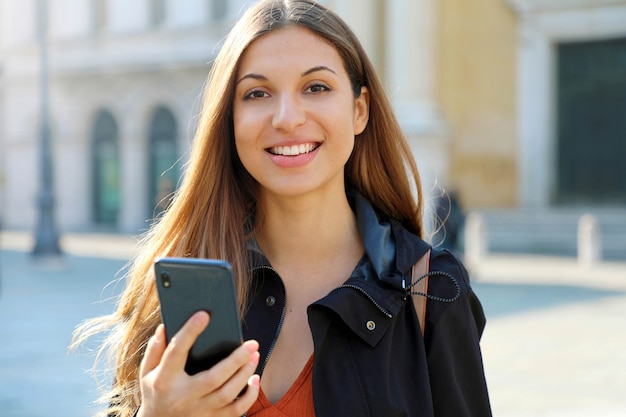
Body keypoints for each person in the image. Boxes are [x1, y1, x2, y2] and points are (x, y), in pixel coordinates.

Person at [73, 1, 492, 416]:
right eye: (257, 93)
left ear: (359, 110)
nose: (287, 118)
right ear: (230, 120)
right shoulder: (178, 286)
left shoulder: (432, 290)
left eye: (316, 87)